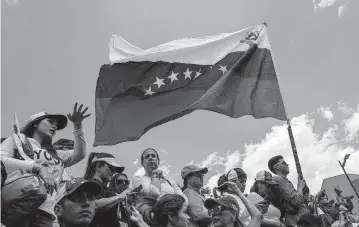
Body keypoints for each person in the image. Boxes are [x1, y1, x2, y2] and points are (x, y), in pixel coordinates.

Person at [1, 103, 90, 227]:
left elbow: (79, 154)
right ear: (35, 123)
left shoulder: (56, 154)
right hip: (18, 207)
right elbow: (1, 159)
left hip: (47, 213)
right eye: (49, 121)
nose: (54, 126)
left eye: (56, 125)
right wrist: (38, 168)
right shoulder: (19, 139)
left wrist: (78, 125)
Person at [132, 148, 188, 221]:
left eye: (153, 156)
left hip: (173, 220)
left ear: (158, 161)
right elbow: (154, 193)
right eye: (147, 156)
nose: (150, 158)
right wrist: (155, 174)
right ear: (142, 163)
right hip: (153, 221)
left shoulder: (169, 181)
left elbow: (185, 200)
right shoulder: (138, 179)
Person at [84, 152, 131, 227]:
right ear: (99, 167)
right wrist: (120, 196)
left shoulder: (105, 189)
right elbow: (94, 205)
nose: (114, 172)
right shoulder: (90, 184)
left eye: (115, 169)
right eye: (111, 168)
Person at [268, 155, 310, 227]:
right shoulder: (278, 179)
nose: (287, 164)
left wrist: (304, 191)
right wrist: (300, 187)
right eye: (284, 163)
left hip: (302, 220)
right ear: (276, 167)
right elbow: (296, 200)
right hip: (297, 222)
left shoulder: (284, 180)